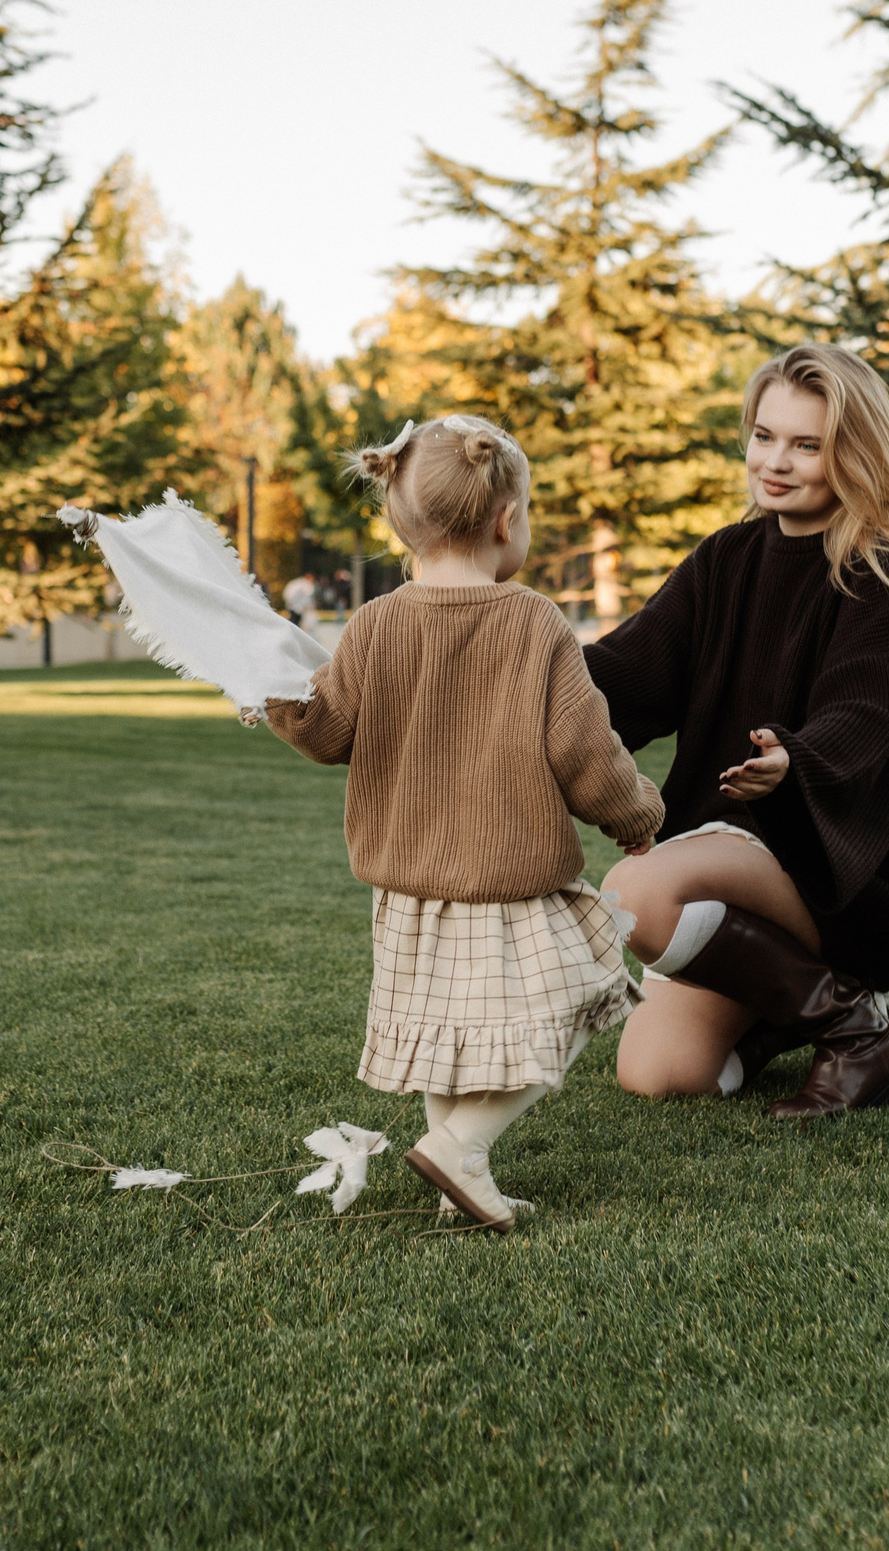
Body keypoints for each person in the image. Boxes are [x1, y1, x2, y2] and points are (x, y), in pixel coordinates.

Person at [265, 416, 663, 1231]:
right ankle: (462, 1147)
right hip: (507, 877)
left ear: (397, 522)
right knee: (580, 992)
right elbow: (584, 750)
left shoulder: (373, 625)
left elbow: (325, 731)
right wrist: (637, 813)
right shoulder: (535, 622)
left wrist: (276, 695)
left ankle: (460, 1173)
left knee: (447, 1033)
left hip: (409, 888)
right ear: (506, 519)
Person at [585, 343, 889, 1122]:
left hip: (859, 864)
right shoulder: (728, 557)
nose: (775, 462)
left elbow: (866, 714)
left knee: (635, 890)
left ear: (853, 455)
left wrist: (798, 760)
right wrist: (513, 681)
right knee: (658, 1072)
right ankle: (846, 1020)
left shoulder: (885, 573)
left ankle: (857, 1032)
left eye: (806, 443)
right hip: (745, 849)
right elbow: (625, 675)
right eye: (764, 435)